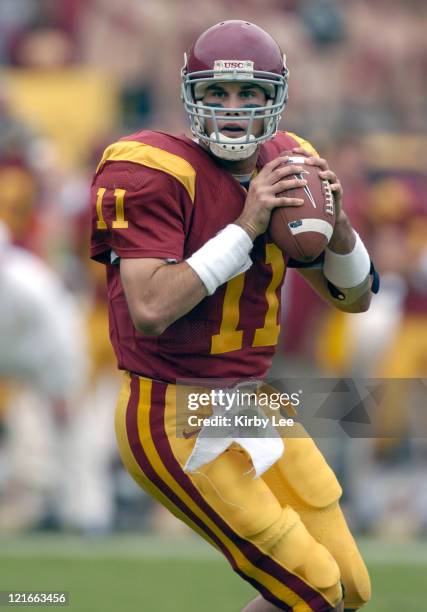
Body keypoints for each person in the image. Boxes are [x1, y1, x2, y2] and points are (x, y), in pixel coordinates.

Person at [90, 20, 376, 612]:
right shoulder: (148, 168)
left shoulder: (292, 159)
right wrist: (246, 226)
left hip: (251, 398)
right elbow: (149, 310)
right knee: (311, 590)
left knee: (348, 588)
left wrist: (341, 229)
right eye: (217, 92)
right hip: (172, 410)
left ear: (276, 97)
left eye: (250, 94)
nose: (233, 108)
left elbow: (355, 298)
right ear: (191, 94)